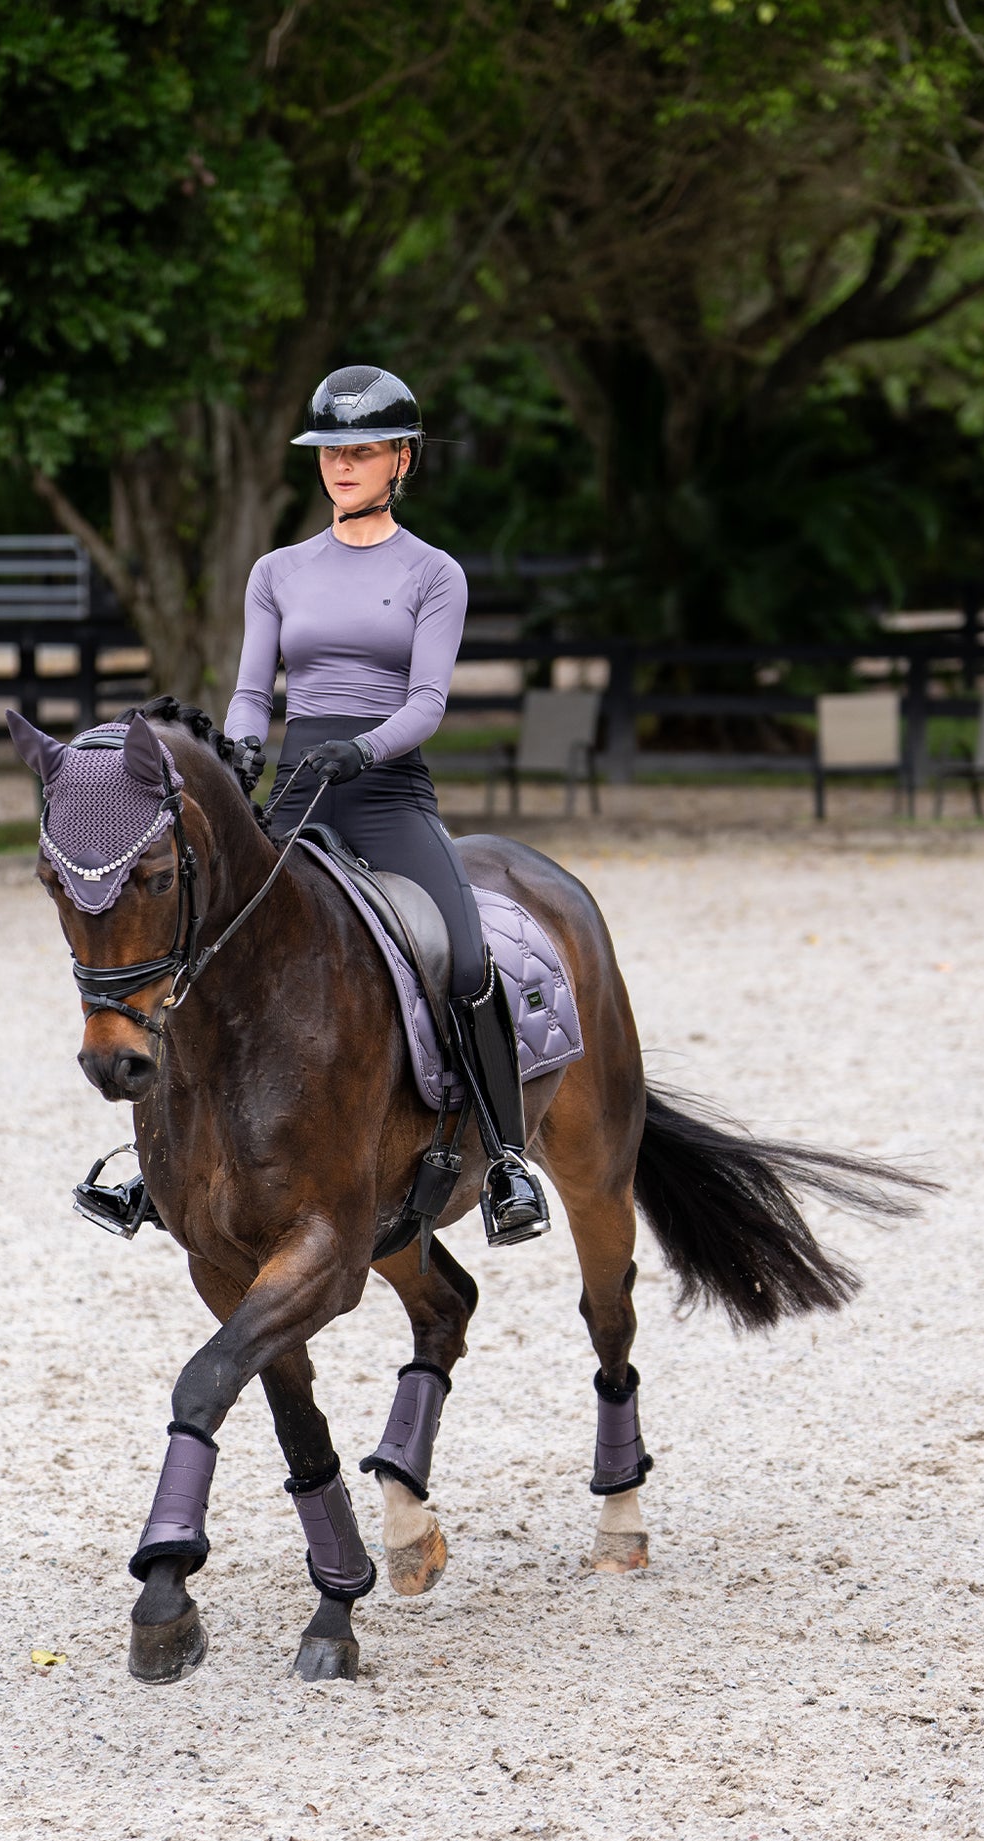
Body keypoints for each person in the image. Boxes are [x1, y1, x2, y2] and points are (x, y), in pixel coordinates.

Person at [223, 364, 549, 1247]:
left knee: (468, 954)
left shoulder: (433, 573)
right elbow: (255, 689)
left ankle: (509, 1162)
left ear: (401, 460)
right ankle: (164, 1159)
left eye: (361, 452)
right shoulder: (276, 571)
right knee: (208, 939)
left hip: (386, 788)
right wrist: (243, 741)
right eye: (331, 452)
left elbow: (428, 703)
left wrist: (361, 747)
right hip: (297, 787)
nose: (341, 466)